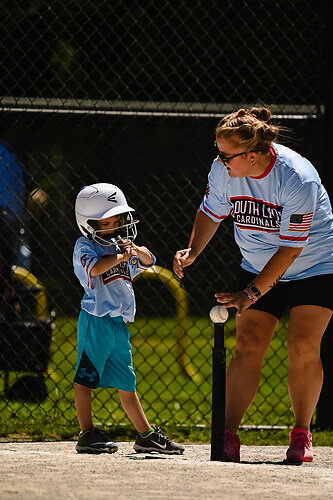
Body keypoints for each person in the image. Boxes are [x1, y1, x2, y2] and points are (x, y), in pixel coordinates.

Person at [173, 107, 333, 463]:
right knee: (247, 343)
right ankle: (226, 434)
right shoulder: (224, 171)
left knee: (303, 343)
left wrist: (250, 294)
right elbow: (211, 212)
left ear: (252, 155)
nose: (219, 160)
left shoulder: (297, 179)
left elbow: (291, 248)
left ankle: (301, 433)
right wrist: (193, 250)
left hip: (315, 266)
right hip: (258, 263)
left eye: (225, 154)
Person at [73, 183, 184, 455]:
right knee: (85, 379)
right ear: (89, 223)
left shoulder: (120, 246)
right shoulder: (85, 246)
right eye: (107, 221)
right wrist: (119, 255)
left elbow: (147, 261)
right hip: (95, 321)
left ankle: (145, 435)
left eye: (117, 220)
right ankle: (86, 433)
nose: (114, 225)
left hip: (118, 326)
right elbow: (96, 268)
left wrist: (135, 251)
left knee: (127, 381)